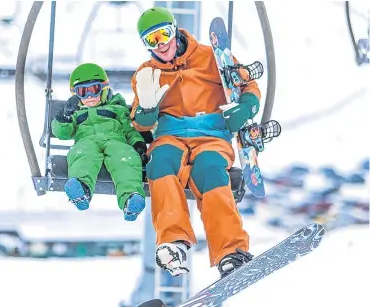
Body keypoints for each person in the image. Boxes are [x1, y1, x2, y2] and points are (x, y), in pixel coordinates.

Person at [131, 7, 260, 277]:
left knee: (209, 172)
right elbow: (140, 123)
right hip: (171, 137)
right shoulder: (146, 73)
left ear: (175, 29)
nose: (161, 45)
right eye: (151, 41)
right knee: (160, 165)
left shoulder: (210, 58)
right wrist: (147, 108)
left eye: (164, 35)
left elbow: (245, 83)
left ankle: (230, 251)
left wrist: (246, 106)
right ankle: (173, 240)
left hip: (211, 136)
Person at [52, 63, 148, 221]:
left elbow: (129, 130)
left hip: (116, 141)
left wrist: (138, 146)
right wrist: (65, 116)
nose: (89, 96)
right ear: (75, 95)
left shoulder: (117, 108)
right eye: (82, 92)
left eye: (94, 89)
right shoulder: (76, 112)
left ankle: (130, 198)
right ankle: (81, 189)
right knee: (81, 154)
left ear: (103, 89)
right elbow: (63, 133)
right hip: (86, 141)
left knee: (125, 158)